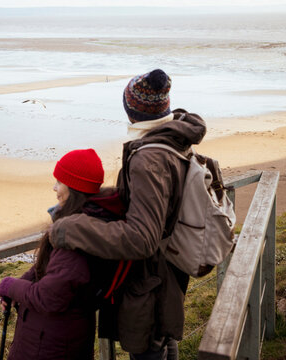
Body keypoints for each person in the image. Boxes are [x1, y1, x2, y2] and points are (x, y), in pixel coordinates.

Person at [49, 69, 207, 360]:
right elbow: (156, 199)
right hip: (169, 266)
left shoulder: (149, 158)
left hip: (151, 277)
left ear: (130, 109)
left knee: (149, 347)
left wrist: (69, 228)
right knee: (161, 342)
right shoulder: (172, 139)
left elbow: (142, 239)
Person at [0, 148, 125, 360]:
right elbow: (52, 266)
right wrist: (23, 281)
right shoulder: (85, 223)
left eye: (60, 181)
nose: (55, 188)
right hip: (54, 335)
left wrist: (9, 285)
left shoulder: (75, 238)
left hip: (50, 343)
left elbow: (48, 298)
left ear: (73, 188)